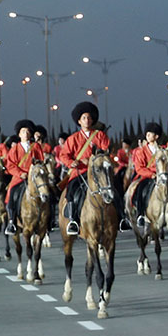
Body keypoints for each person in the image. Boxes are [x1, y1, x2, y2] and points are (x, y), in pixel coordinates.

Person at [57, 101, 112, 236]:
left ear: (92, 120)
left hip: (98, 173)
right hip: (80, 173)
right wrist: (73, 162)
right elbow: (63, 155)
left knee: (114, 189)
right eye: (84, 118)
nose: (87, 120)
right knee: (71, 193)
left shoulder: (100, 135)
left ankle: (122, 218)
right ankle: (73, 221)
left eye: (89, 118)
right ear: (79, 121)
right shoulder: (72, 138)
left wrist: (95, 159)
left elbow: (106, 150)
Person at [4, 119, 45, 236]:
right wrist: (20, 173)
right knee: (11, 193)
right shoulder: (15, 148)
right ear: (19, 134)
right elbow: (10, 165)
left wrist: (34, 172)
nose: (26, 134)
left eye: (27, 132)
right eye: (23, 132)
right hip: (19, 178)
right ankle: (12, 221)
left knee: (48, 191)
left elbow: (40, 161)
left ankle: (49, 221)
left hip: (34, 178)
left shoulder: (36, 146)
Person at [127, 122, 165, 230]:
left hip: (161, 175)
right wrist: (151, 174)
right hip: (147, 176)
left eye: (150, 134)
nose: (147, 136)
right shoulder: (141, 151)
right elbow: (139, 168)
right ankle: (140, 214)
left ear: (156, 136)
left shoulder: (162, 149)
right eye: (147, 134)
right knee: (140, 189)